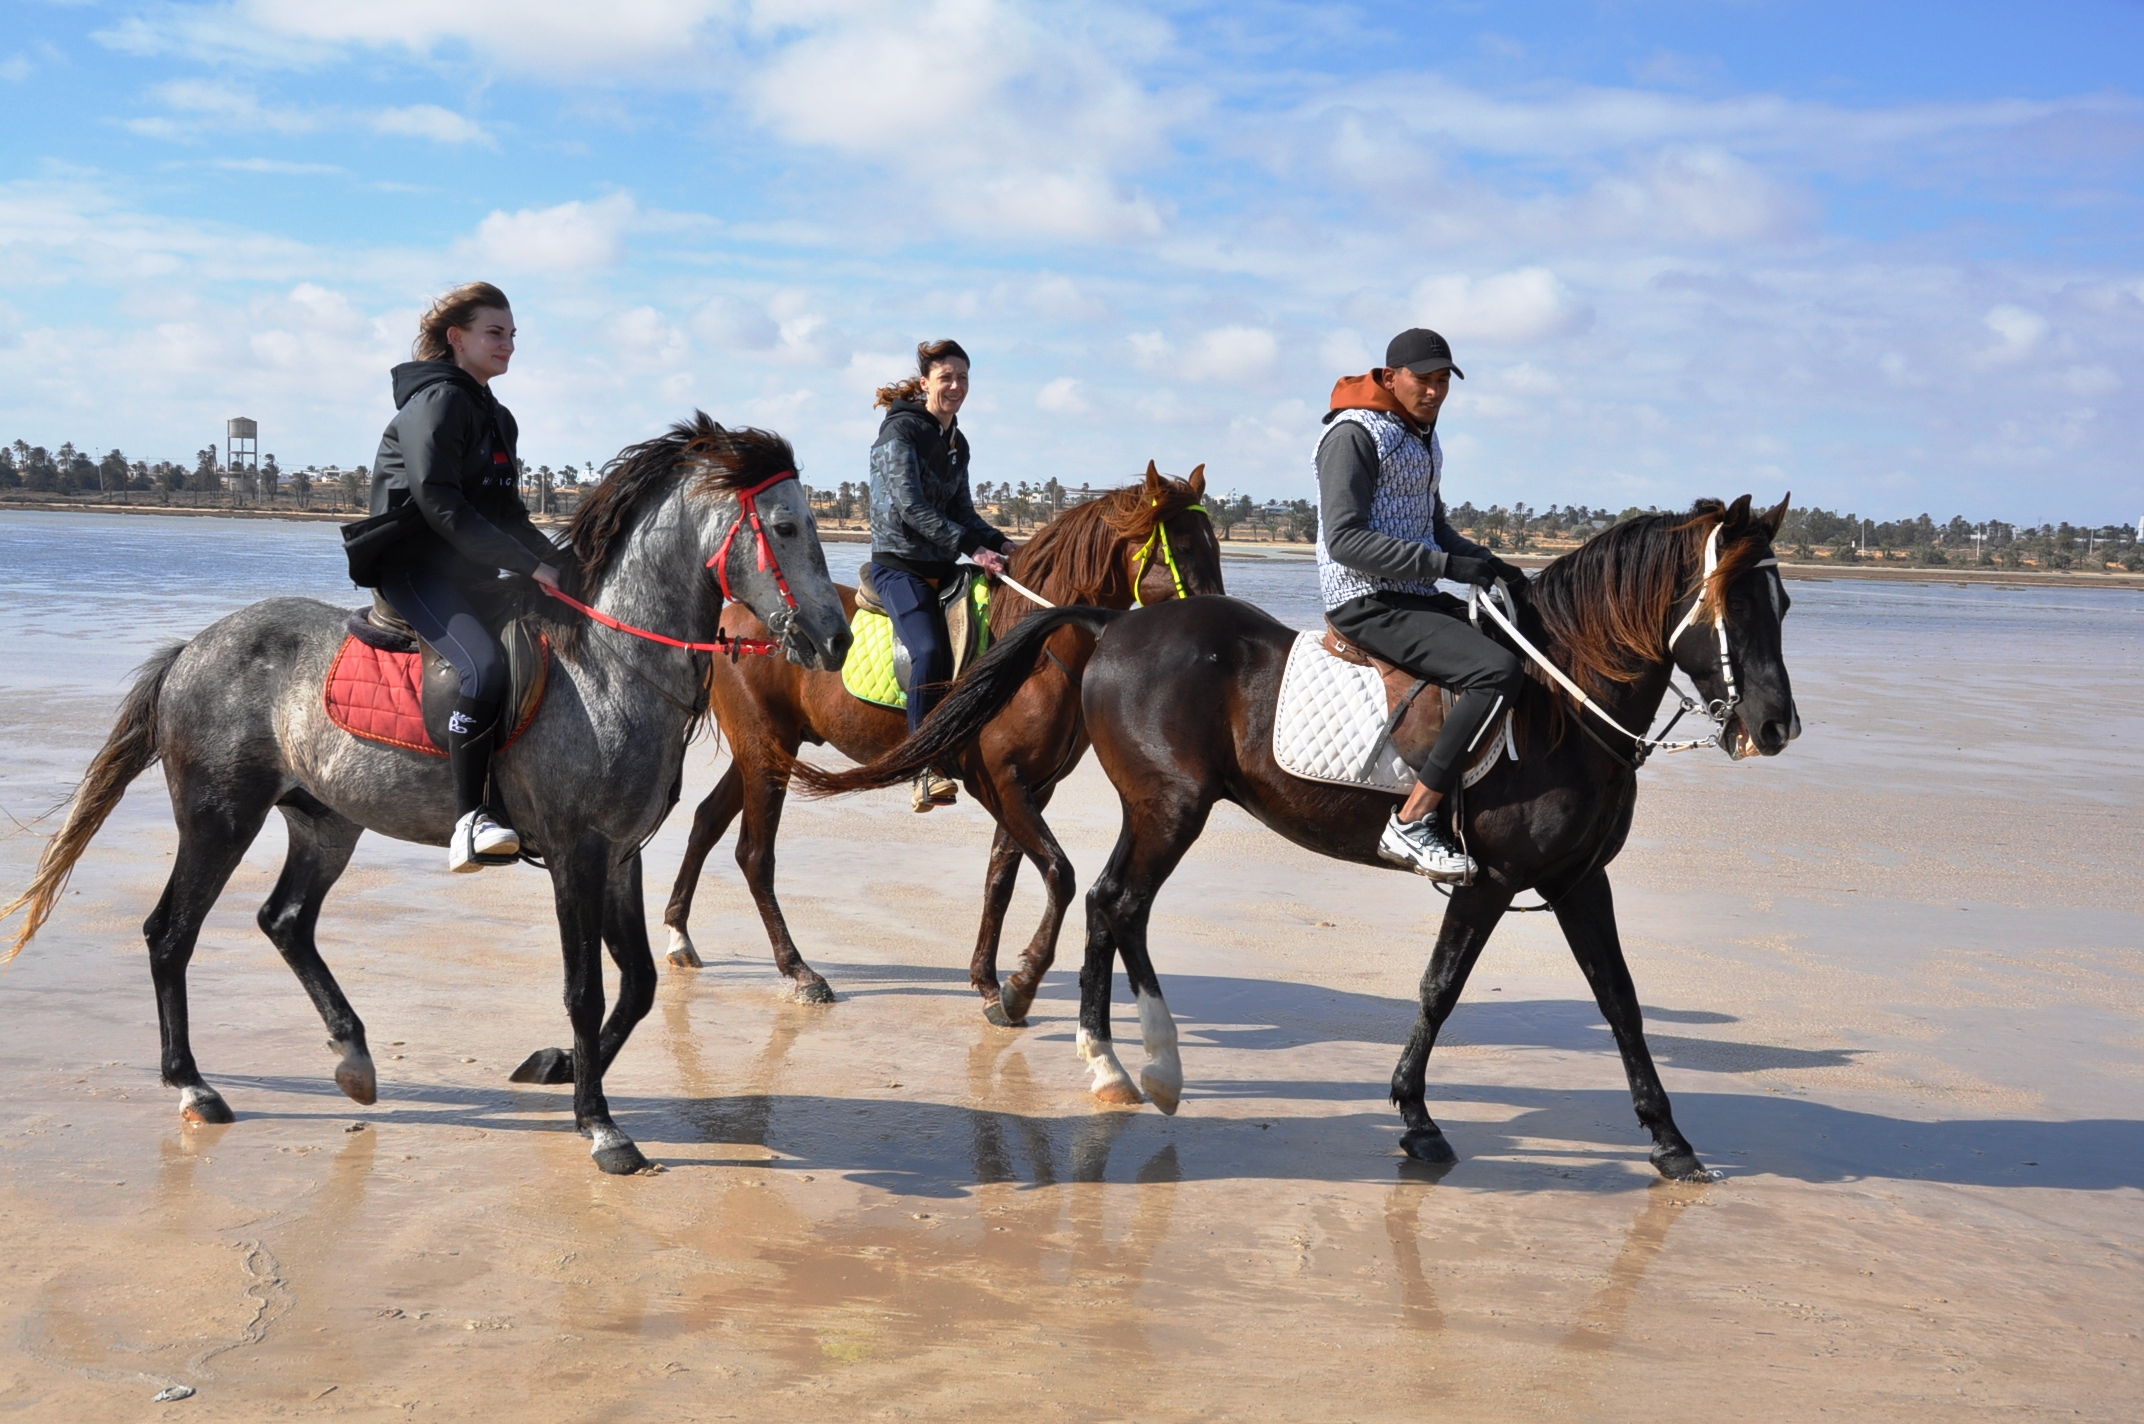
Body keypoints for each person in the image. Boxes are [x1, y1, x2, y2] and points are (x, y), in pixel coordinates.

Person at [1315, 328, 1528, 881]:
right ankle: (1411, 821)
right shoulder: (1354, 435)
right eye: (1423, 380)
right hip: (1365, 600)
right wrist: (1447, 568)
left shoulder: (1423, 437)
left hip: (1412, 594)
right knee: (1496, 671)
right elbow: (1344, 540)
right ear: (1391, 378)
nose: (1434, 392)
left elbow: (1433, 530)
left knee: (1523, 637)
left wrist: (1489, 563)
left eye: (1442, 382)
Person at [368, 282, 565, 872]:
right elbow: (441, 505)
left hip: (470, 571)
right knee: (484, 666)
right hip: (414, 570)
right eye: (494, 333)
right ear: (457, 338)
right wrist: (531, 565)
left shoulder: (497, 417)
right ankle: (470, 819)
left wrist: (564, 566)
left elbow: (509, 516)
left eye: (512, 335)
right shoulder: (437, 402)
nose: (508, 345)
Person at [867, 339, 1017, 812]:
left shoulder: (957, 441)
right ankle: (923, 767)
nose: (956, 386)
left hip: (944, 567)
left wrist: (1002, 544)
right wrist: (972, 547)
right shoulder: (900, 433)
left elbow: (963, 511)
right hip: (898, 568)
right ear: (925, 382)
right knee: (929, 650)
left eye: (963, 378)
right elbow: (910, 507)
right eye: (946, 377)